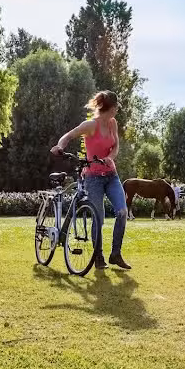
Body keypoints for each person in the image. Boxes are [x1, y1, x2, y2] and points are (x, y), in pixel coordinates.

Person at [50, 90, 130, 270]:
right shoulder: (90, 125)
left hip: (111, 176)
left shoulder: (113, 123)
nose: (117, 110)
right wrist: (60, 146)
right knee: (98, 217)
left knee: (122, 211)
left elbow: (116, 145)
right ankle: (98, 256)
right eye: (116, 107)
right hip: (93, 178)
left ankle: (115, 254)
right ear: (110, 108)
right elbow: (69, 135)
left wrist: (110, 157)